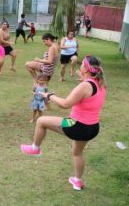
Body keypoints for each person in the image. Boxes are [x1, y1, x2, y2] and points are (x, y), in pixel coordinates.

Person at [20, 55, 107, 191]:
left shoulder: (85, 86)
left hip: (75, 125)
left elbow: (65, 104)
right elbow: (88, 88)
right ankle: (77, 181)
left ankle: (35, 149)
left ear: (86, 69)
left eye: (82, 65)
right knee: (77, 153)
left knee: (41, 121)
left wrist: (49, 95)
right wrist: (83, 77)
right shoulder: (101, 83)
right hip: (93, 127)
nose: (80, 67)